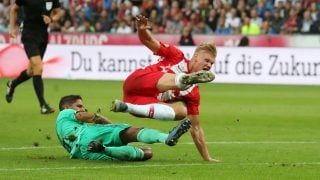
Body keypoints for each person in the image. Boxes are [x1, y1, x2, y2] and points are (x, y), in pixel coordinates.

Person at [111, 15, 219, 162]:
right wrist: (142, 30)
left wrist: (207, 158)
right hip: (138, 81)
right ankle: (182, 79)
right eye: (206, 60)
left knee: (183, 112)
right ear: (195, 57)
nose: (208, 65)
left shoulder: (193, 93)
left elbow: (196, 128)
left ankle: (125, 107)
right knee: (174, 81)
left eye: (211, 64)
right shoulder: (176, 56)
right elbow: (149, 41)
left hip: (138, 102)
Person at [56, 95, 191, 161]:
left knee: (147, 153)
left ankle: (104, 149)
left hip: (84, 153)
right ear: (67, 107)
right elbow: (85, 116)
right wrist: (110, 124)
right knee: (130, 132)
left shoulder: (61, 128)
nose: (83, 108)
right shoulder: (64, 113)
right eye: (79, 106)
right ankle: (166, 138)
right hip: (86, 135)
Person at [5, 0, 62, 114]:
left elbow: (58, 12)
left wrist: (52, 19)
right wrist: (12, 28)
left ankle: (12, 84)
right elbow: (13, 9)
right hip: (29, 34)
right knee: (38, 67)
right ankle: (43, 105)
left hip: (43, 36)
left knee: (31, 71)